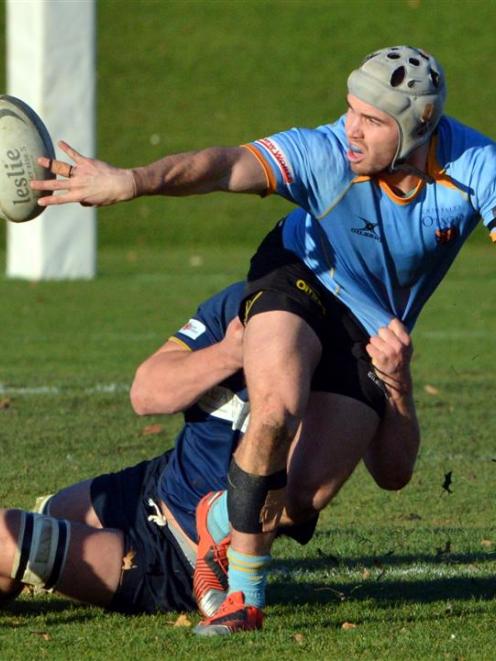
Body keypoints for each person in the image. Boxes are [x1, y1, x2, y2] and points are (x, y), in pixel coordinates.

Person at [30, 44, 489, 634]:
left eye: (372, 122)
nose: (351, 128)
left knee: (299, 502)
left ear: (421, 124)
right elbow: (223, 165)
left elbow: (394, 474)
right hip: (298, 274)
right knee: (274, 412)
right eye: (349, 110)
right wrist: (134, 181)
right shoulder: (327, 153)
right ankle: (242, 598)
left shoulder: (476, 164)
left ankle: (217, 519)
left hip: (367, 325)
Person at [0, 280, 416, 626]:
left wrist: (397, 385)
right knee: (29, 537)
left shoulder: (361, 341)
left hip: (178, 555)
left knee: (7, 535)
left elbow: (392, 472)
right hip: (153, 483)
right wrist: (231, 352)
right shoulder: (250, 302)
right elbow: (146, 393)